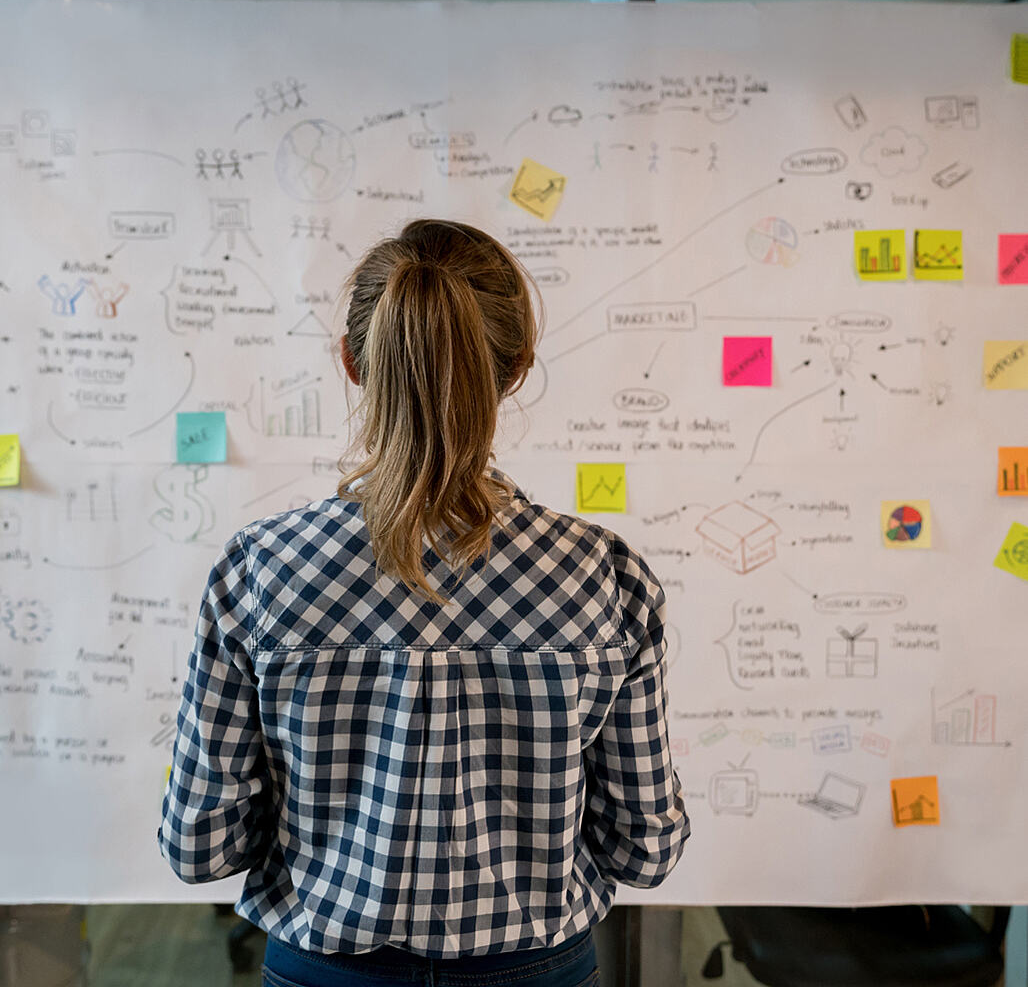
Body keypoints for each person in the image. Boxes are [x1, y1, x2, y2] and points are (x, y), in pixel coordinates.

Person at [159, 218, 689, 987]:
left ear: (352, 362)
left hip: (324, 971)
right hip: (535, 971)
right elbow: (646, 849)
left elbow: (199, 845)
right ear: (514, 371)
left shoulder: (259, 571)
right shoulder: (605, 575)